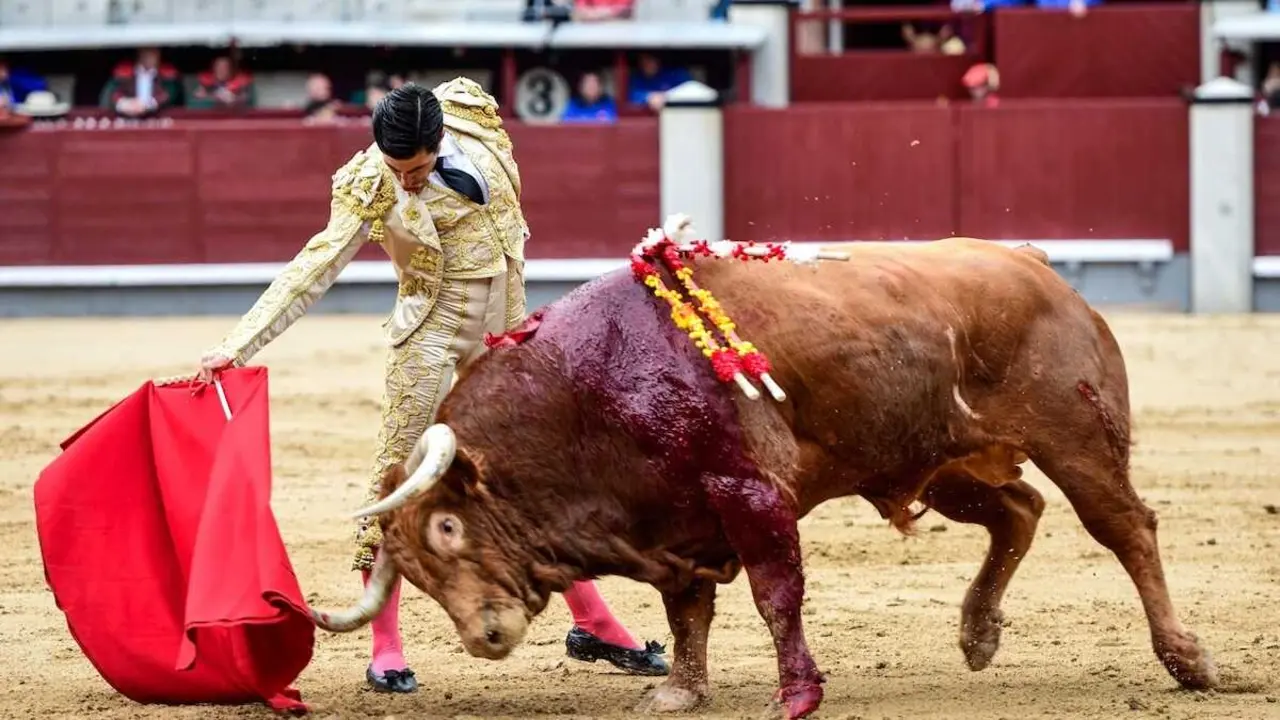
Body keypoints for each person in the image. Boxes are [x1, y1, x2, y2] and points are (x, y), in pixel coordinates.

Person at [196, 78, 669, 693]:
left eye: (415, 168)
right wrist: (237, 344)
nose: (407, 181)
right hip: (430, 343)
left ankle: (594, 622)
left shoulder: (472, 117)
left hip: (507, 345)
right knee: (402, 481)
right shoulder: (369, 180)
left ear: (439, 139)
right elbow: (312, 268)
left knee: (533, 479)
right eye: (398, 170)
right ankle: (385, 646)